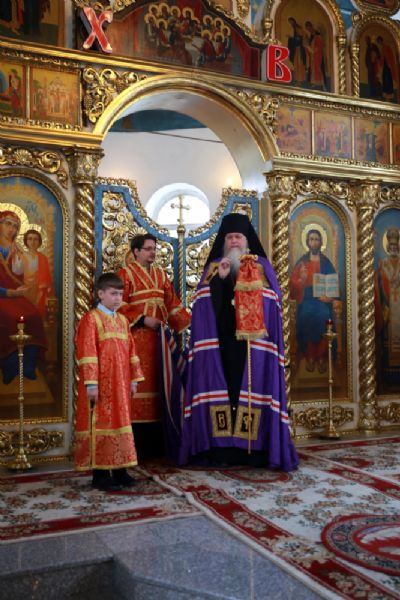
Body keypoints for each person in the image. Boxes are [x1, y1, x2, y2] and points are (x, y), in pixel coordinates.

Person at [180, 213, 298, 471]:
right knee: (226, 390)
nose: (234, 241)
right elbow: (201, 305)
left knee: (252, 391)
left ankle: (253, 450)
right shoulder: (214, 267)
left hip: (254, 348)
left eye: (238, 237)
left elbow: (273, 303)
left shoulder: (261, 267)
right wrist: (220, 281)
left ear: (247, 241)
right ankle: (222, 448)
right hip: (220, 347)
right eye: (230, 237)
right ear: (224, 242)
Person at [118, 234, 191, 459]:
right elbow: (118, 305)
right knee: (139, 386)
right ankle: (136, 448)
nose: (152, 252)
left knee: (160, 386)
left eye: (154, 249)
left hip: (159, 342)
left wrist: (193, 325)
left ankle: (158, 446)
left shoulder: (161, 275)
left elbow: (173, 304)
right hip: (136, 341)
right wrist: (142, 319)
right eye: (148, 249)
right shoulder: (125, 274)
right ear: (136, 251)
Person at [74, 272, 144, 492]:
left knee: (121, 423)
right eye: (113, 294)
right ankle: (101, 475)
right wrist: (91, 384)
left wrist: (134, 379)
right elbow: (87, 352)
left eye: (120, 294)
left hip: (121, 385)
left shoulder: (123, 320)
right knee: (101, 424)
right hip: (101, 385)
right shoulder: (91, 319)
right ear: (100, 294)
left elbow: (132, 351)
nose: (118, 298)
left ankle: (121, 470)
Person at [0, 210, 46, 384]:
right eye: (8, 224)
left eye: (15, 226)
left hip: (15, 295)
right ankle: (10, 368)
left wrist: (24, 286)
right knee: (9, 318)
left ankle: (28, 366)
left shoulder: (17, 250)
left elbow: (21, 276)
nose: (11, 229)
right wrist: (7, 292)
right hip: (3, 296)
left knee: (33, 316)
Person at [289, 228, 337, 374]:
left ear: (321, 242)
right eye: (311, 239)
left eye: (317, 239)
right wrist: (302, 280)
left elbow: (334, 284)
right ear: (307, 242)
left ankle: (321, 356)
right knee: (306, 316)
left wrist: (329, 297)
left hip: (323, 300)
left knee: (324, 316)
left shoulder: (326, 262)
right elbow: (292, 285)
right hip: (306, 299)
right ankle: (310, 356)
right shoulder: (302, 262)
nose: (314, 242)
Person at [374, 228, 400, 391]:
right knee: (387, 343)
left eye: (396, 245)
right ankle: (388, 379)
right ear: (388, 246)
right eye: (391, 245)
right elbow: (378, 283)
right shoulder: (383, 264)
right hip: (389, 309)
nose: (393, 247)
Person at [22, 228, 54, 318]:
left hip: (39, 291)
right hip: (24, 290)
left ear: (39, 242)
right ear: (26, 241)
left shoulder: (43, 258)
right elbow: (17, 275)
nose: (32, 242)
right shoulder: (21, 256)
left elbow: (47, 278)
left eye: (35, 239)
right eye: (30, 239)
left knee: (38, 315)